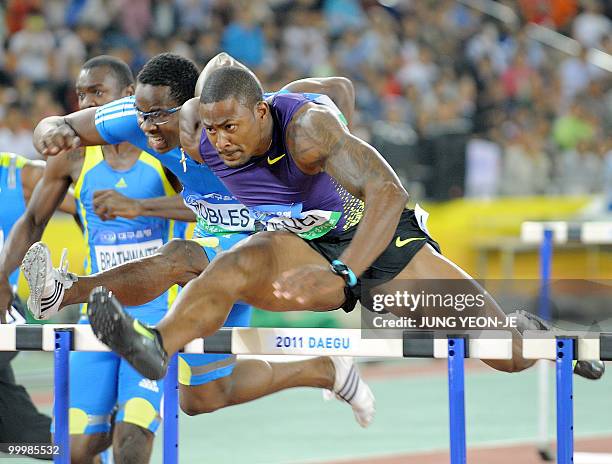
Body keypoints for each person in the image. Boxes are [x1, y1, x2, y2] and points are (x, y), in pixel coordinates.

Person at [85, 64, 604, 381]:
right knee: (233, 261)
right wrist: (58, 128)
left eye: (232, 127)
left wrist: (346, 273)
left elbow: (387, 191)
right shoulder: (196, 132)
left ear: (263, 111)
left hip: (376, 242)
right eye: (213, 129)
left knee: (503, 355)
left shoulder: (308, 129)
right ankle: (155, 343)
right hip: (300, 243)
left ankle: (531, 333)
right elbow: (95, 122)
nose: (221, 142)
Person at [25, 52, 375, 427]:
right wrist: (51, 131)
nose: (149, 126)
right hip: (218, 243)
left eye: (161, 115)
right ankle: (326, 370)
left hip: (274, 248)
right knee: (202, 396)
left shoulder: (252, 116)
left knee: (181, 256)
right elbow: (60, 124)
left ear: (197, 108)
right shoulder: (139, 117)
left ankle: (66, 290)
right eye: (143, 114)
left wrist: (339, 148)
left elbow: (340, 87)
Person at [1, 55, 191, 464]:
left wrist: (141, 208)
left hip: (156, 318)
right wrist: (2, 276)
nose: (85, 104)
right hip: (98, 316)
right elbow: (33, 219)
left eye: (96, 93)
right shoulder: (73, 157)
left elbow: (207, 206)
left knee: (131, 441)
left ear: (127, 98)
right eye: (81, 94)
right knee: (71, 451)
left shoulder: (161, 147)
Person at [0, 151, 76, 460]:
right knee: (18, 431)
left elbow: (85, 204)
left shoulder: (20, 174)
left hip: (4, 305)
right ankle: (72, 452)